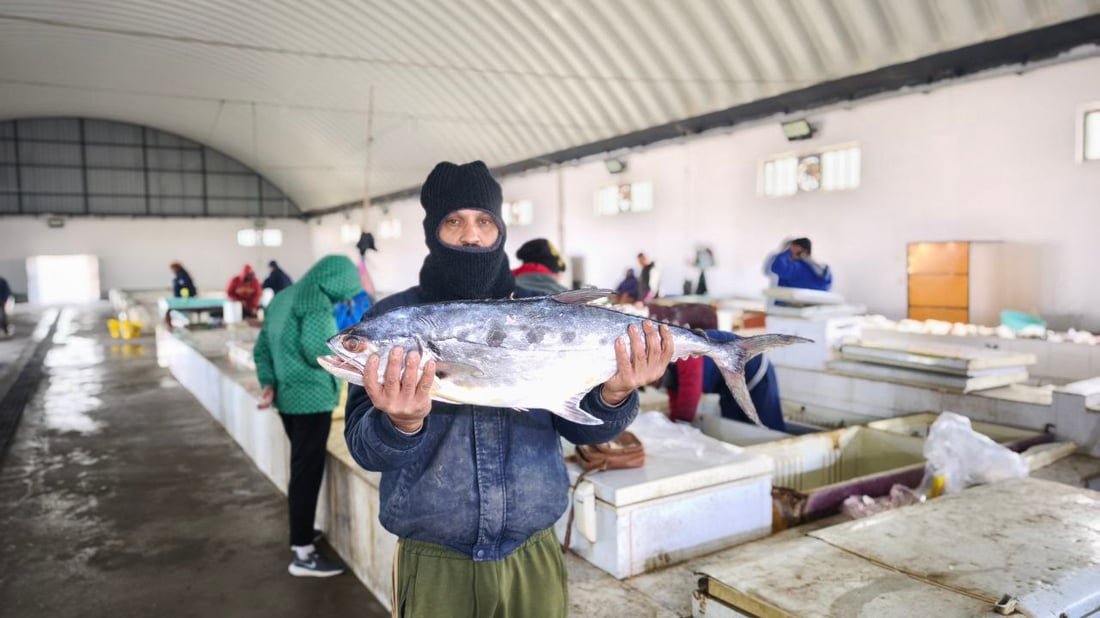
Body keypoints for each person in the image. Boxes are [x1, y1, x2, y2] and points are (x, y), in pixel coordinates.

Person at [343, 160, 673, 617]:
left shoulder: (543, 312)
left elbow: (585, 432)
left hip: (533, 550)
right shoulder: (392, 321)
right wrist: (400, 423)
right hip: (437, 560)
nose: (470, 236)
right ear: (431, 232)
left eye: (484, 221)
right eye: (453, 221)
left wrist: (614, 393)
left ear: (500, 229)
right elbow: (365, 449)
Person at [253, 254, 363, 577]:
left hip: (287, 398)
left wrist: (268, 382)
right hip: (312, 400)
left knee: (301, 467)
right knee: (306, 472)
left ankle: (301, 532)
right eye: (347, 288)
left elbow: (261, 347)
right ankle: (302, 552)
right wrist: (356, 361)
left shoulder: (285, 295)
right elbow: (320, 349)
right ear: (336, 278)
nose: (346, 296)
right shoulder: (313, 299)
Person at [664, 329, 785, 432]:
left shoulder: (683, 352)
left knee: (769, 428)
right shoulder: (669, 376)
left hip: (756, 375)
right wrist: (674, 425)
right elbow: (676, 404)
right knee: (734, 429)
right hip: (728, 389)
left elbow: (690, 394)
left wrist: (680, 427)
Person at [764, 237, 832, 291]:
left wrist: (785, 252)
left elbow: (776, 268)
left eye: (792, 250)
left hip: (788, 305)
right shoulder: (820, 270)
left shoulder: (798, 267)